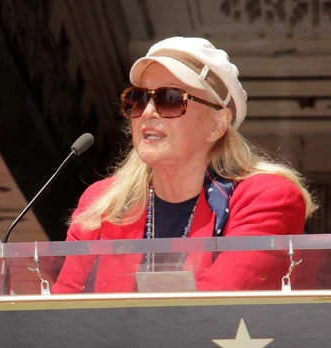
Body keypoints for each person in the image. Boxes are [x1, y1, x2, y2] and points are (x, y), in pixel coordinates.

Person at [52, 36, 318, 294]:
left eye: (170, 99)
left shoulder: (266, 198)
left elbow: (219, 304)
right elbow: (62, 312)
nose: (147, 112)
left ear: (218, 124)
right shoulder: (102, 202)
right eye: (139, 98)